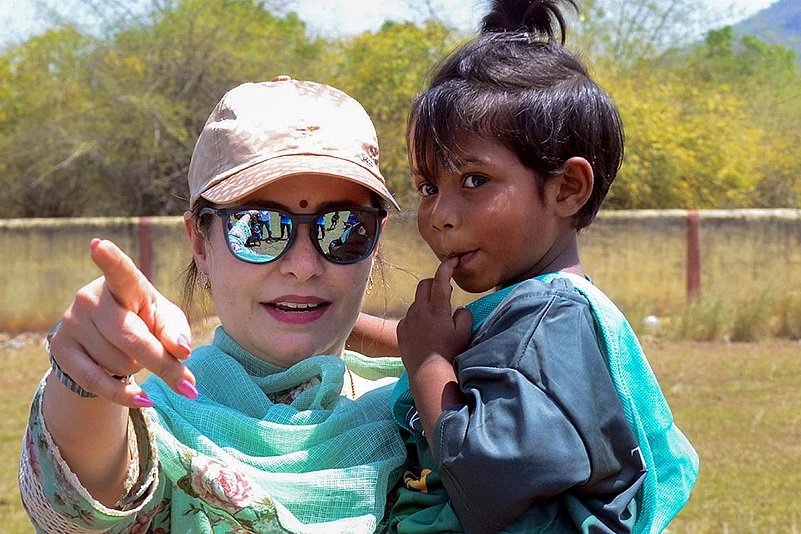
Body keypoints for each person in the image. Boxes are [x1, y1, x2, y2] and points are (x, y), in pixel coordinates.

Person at [355, 1, 700, 532]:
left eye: (473, 180)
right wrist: (340, 325)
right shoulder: (535, 307)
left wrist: (427, 366)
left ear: (566, 189)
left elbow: (486, 481)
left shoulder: (551, 320)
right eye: (428, 187)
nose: (439, 216)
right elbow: (439, 342)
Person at [19, 77, 410, 533]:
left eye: (344, 228)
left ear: (376, 242)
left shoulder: (429, 412)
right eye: (258, 227)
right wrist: (85, 381)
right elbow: (80, 507)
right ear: (200, 244)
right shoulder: (161, 425)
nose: (303, 265)